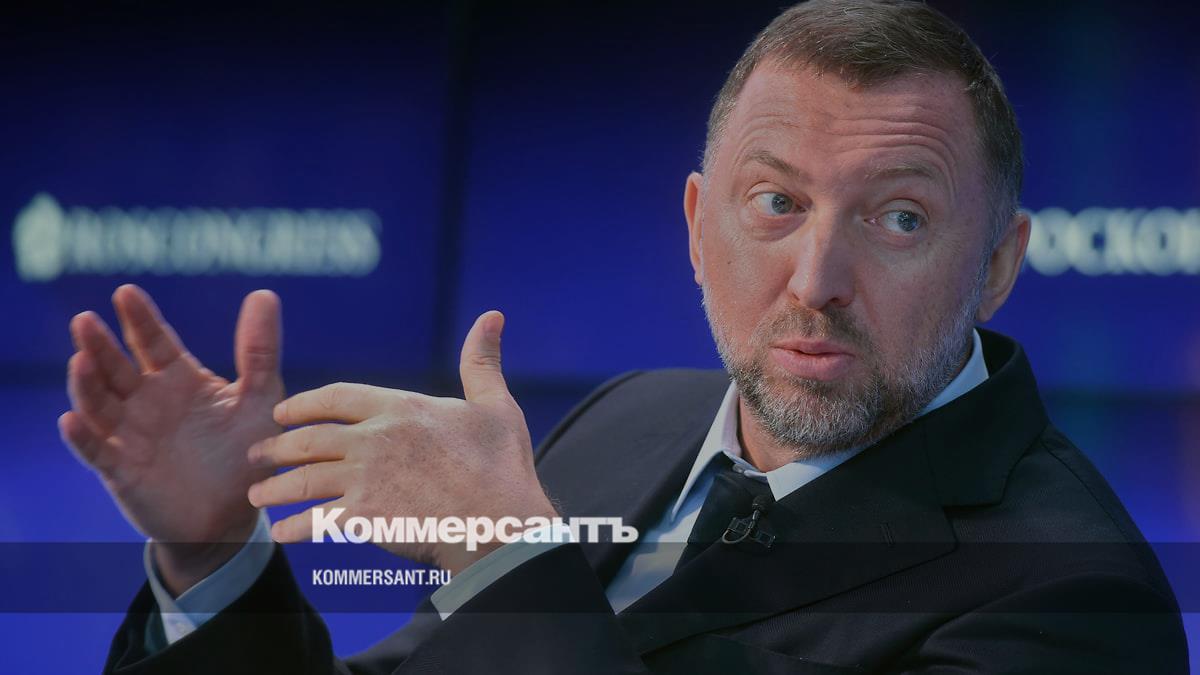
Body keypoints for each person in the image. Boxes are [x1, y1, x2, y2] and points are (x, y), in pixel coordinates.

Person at [62, 1, 1187, 672]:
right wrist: (213, 559)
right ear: (697, 227)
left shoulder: (1073, 603)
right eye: (776, 203)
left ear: (997, 265)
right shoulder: (627, 422)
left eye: (899, 219)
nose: (816, 280)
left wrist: (507, 560)